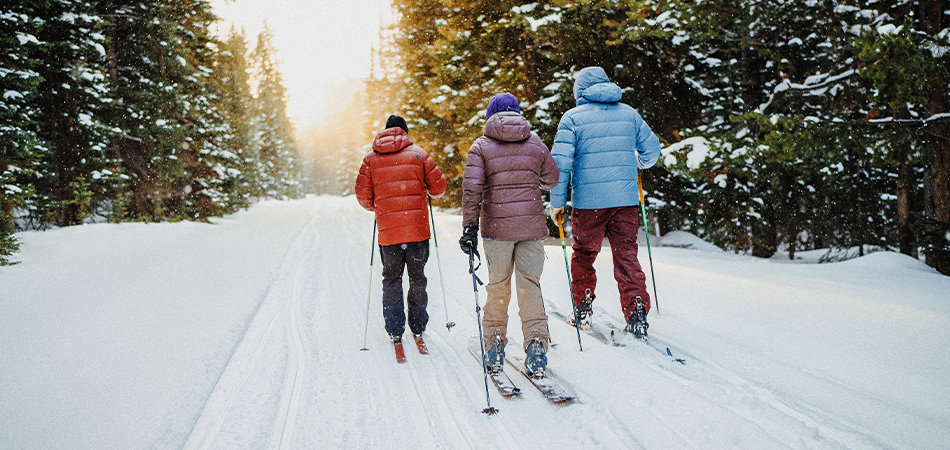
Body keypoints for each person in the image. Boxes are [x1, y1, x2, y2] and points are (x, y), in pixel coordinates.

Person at [549, 66, 662, 339]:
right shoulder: (629, 114)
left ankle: (583, 305)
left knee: (585, 254)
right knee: (626, 256)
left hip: (589, 204)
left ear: (580, 92)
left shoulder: (572, 118)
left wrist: (557, 203)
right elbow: (653, 150)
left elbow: (560, 165)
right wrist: (636, 162)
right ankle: (636, 311)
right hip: (625, 201)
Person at [459, 93, 559, 377]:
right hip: (531, 229)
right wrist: (531, 175)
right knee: (530, 286)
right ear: (518, 113)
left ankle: (493, 348)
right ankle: (537, 346)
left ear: (490, 115)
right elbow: (553, 179)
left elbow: (472, 189)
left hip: (498, 231)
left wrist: (469, 227)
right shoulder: (535, 143)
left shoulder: (481, 146)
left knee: (498, 287)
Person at [355, 115, 447, 344]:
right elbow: (439, 189)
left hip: (389, 234)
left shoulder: (370, 160)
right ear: (405, 132)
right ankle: (417, 326)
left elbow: (363, 197)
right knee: (417, 277)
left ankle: (395, 329)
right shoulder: (419, 155)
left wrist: (380, 206)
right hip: (417, 233)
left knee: (392, 278)